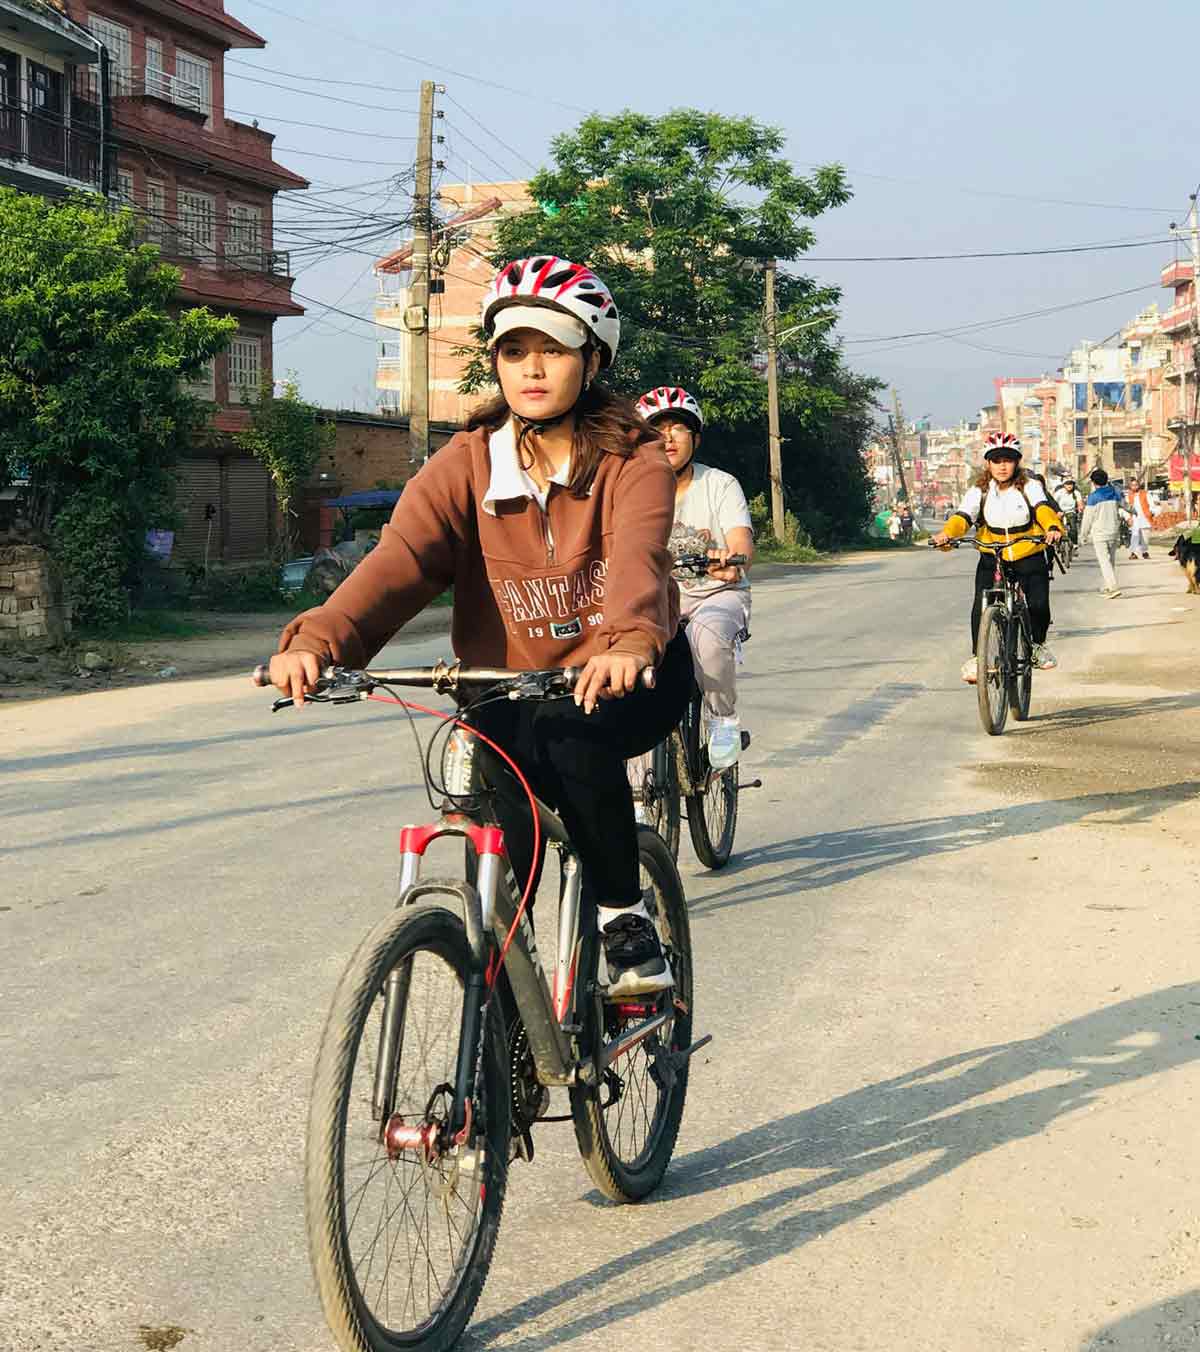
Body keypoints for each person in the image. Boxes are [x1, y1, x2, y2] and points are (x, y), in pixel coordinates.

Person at [265, 256, 693, 997]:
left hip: (634, 673)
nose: (533, 369)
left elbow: (637, 558)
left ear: (593, 360)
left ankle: (624, 919)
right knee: (500, 831)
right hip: (508, 685)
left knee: (572, 736)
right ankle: (502, 1004)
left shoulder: (635, 458)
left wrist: (627, 641)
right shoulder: (466, 463)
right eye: (514, 350)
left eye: (554, 349)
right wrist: (319, 641)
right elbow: (399, 562)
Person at [635, 386, 753, 769]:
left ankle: (723, 720)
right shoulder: (631, 490)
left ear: (696, 439)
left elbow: (741, 540)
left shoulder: (720, 484)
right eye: (657, 430)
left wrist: (733, 560)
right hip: (654, 599)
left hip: (715, 594)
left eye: (678, 429)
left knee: (709, 640)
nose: (668, 438)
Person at [931, 432, 1065, 684]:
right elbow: (963, 516)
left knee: (1038, 605)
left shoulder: (1029, 486)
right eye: (996, 460)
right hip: (992, 556)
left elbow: (1042, 509)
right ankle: (978, 657)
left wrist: (1052, 527)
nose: (1002, 466)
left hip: (1028, 553)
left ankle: (1037, 646)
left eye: (1008, 460)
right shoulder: (979, 490)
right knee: (981, 605)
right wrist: (947, 534)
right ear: (988, 463)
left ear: (1017, 462)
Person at [1079, 467, 1124, 598]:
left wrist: (1083, 535)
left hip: (1100, 534)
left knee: (1104, 562)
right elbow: (1125, 505)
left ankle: (1113, 588)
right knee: (1111, 561)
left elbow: (1087, 519)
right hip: (1114, 532)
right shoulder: (1114, 493)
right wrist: (1134, 512)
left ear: (1094, 482)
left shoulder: (1093, 497)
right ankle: (1107, 586)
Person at [1127, 478, 1153, 560]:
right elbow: (1126, 508)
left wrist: (1151, 513)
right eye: (1132, 485)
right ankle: (1134, 553)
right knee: (1135, 535)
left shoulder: (1145, 494)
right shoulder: (1129, 495)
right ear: (1130, 486)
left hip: (1145, 517)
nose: (1134, 487)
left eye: (1136, 485)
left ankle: (1144, 552)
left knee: (1145, 537)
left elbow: (1152, 505)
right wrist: (1128, 518)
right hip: (1134, 518)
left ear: (1139, 485)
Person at [1053, 476, 1083, 545]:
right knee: (1057, 526)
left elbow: (1080, 503)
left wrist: (1080, 508)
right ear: (1064, 485)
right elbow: (1053, 502)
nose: (1069, 486)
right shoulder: (1059, 492)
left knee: (1073, 526)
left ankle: (1074, 543)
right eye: (1067, 484)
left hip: (1071, 511)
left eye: (1071, 484)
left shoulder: (1076, 493)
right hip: (1060, 511)